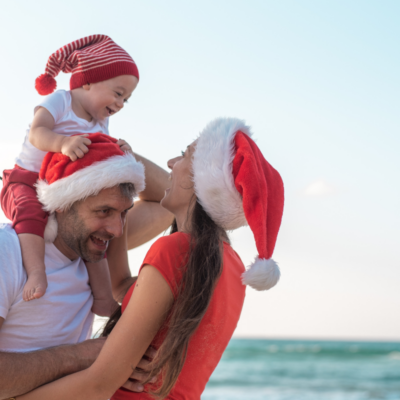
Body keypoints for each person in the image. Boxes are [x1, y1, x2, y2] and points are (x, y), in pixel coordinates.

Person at [14, 117, 285, 400]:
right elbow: (120, 285)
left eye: (184, 155)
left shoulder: (176, 249)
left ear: (203, 180)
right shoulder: (230, 263)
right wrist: (121, 159)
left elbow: (98, 385)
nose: (170, 163)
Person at [0, 133, 173, 399]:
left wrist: (121, 154)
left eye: (124, 212)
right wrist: (85, 355)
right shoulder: (8, 251)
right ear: (62, 204)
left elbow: (168, 203)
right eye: (104, 211)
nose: (117, 231)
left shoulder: (93, 252)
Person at [0, 34, 139, 317]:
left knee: (91, 237)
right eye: (118, 92)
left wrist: (121, 150)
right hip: (26, 180)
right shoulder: (60, 101)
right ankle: (37, 272)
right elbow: (38, 133)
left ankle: (102, 297)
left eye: (126, 98)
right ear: (87, 81)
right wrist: (62, 143)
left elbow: (100, 154)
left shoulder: (101, 121)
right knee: (29, 215)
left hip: (62, 189)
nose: (121, 103)